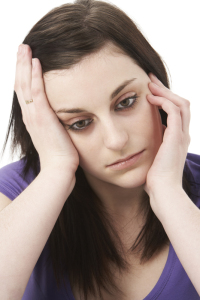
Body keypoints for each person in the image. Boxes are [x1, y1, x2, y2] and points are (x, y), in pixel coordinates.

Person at [0, 0, 200, 299]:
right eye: (80, 123)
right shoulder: (17, 191)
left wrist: (168, 192)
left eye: (126, 102)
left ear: (158, 87)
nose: (116, 140)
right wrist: (56, 169)